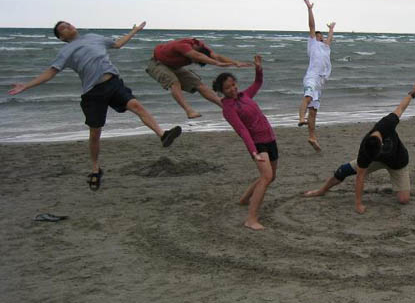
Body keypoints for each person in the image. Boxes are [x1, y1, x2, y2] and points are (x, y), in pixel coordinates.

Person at [8, 21, 182, 191]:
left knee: (136, 105)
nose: (68, 26)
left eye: (68, 24)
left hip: (113, 83)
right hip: (93, 93)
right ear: (61, 37)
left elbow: (118, 44)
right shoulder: (66, 51)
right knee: (95, 133)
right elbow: (50, 73)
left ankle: (162, 135)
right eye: (63, 28)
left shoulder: (94, 37)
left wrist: (134, 31)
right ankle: (95, 169)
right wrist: (27, 85)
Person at [303, 82, 415, 214]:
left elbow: (401, 108)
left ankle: (399, 186)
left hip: (398, 162)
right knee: (343, 170)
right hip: (376, 160)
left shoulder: (387, 123)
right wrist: (358, 204)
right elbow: (360, 177)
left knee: (403, 200)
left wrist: (412, 94)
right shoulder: (366, 150)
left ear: (381, 143)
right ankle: (321, 190)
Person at [214, 55, 277, 231]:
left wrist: (258, 68)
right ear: (221, 90)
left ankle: (244, 199)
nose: (233, 89)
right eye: (228, 87)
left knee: (272, 176)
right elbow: (242, 130)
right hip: (257, 144)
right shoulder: (228, 108)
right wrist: (253, 152)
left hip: (270, 138)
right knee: (266, 177)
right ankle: (251, 219)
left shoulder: (245, 95)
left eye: (234, 85)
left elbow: (258, 83)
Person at [146, 37, 250, 118]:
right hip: (157, 63)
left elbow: (216, 56)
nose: (193, 63)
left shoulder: (202, 47)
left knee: (199, 84)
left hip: (174, 66)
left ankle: (226, 107)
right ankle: (189, 111)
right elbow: (198, 56)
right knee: (174, 82)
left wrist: (235, 62)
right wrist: (217, 64)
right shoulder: (183, 45)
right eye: (194, 61)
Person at [298, 0, 335, 151]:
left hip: (320, 81)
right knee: (307, 97)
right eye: (318, 34)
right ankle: (301, 118)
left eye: (321, 35)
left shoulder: (325, 47)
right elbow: (311, 26)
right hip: (312, 76)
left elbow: (330, 37)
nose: (320, 36)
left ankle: (312, 137)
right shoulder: (313, 44)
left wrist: (331, 28)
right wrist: (309, 9)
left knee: (313, 111)